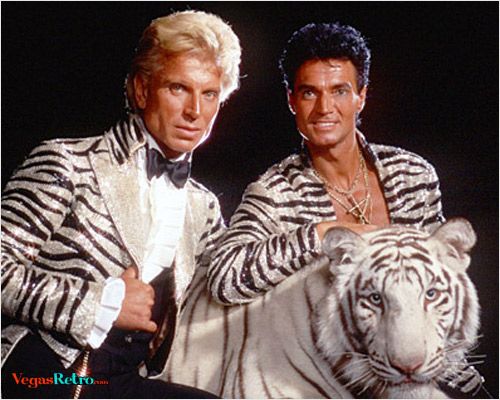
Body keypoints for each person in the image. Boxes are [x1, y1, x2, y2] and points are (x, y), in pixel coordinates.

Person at [1, 10, 240, 398]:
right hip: (46, 373)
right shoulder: (69, 163)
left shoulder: (203, 207)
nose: (195, 111)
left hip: (122, 381)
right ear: (142, 89)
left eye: (209, 93)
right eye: (178, 88)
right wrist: (101, 303)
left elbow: (234, 286)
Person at [207, 22, 444, 305]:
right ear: (291, 100)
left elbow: (443, 282)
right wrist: (321, 234)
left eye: (339, 91)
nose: (324, 108)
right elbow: (224, 280)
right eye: (310, 92)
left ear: (361, 97)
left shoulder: (413, 175)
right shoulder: (275, 192)